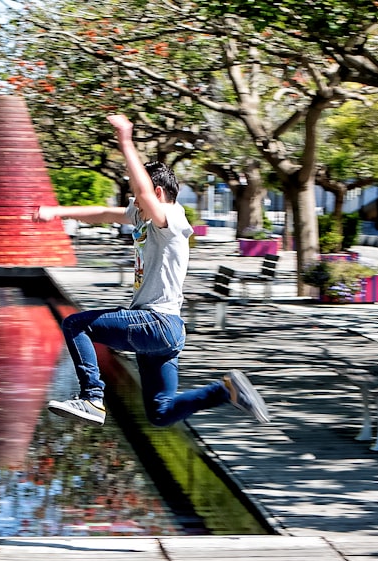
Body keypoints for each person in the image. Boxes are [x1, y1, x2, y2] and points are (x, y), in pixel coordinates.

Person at [35, 114, 270, 428]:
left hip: (155, 322)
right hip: (166, 333)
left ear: (157, 193)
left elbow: (144, 194)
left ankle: (92, 397)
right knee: (160, 413)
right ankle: (225, 392)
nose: (135, 203)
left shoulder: (170, 220)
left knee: (76, 324)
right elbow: (105, 213)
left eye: (139, 196)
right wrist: (57, 212)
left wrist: (125, 141)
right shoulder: (146, 217)